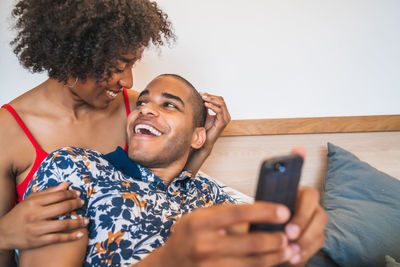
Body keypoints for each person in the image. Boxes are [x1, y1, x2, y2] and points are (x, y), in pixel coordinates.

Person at [0, 1, 230, 265]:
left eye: (132, 65)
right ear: (76, 56)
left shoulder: (136, 109)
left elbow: (160, 191)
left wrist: (200, 145)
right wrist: (3, 235)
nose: (128, 81)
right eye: (120, 66)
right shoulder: (8, 131)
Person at [20, 74, 327, 267]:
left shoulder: (208, 194)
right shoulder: (75, 167)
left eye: (169, 105)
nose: (146, 109)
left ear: (198, 136)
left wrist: (284, 250)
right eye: (142, 102)